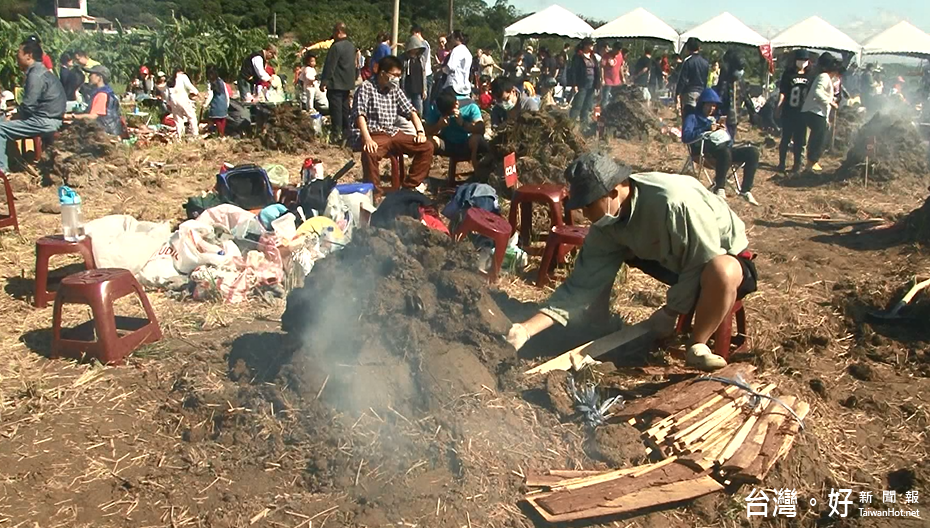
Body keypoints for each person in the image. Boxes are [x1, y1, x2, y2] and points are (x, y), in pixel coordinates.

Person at [505, 153, 757, 371]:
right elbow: (580, 287)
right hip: (672, 259)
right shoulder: (607, 224)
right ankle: (598, 321)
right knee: (606, 257)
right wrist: (526, 330)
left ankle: (698, 344)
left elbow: (704, 256)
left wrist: (671, 311)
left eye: (589, 206)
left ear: (613, 192)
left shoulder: (672, 203)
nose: (585, 215)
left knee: (720, 270)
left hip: (721, 254)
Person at [352, 55, 433, 197]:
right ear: (383, 73)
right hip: (375, 133)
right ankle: (375, 193)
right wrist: (367, 139)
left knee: (427, 146)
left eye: (399, 75)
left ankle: (409, 187)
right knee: (370, 152)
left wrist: (420, 132)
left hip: (393, 132)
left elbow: (411, 111)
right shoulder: (366, 88)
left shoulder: (395, 89)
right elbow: (360, 116)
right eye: (394, 75)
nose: (397, 78)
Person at [682, 88, 760, 205]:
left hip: (725, 149)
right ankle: (719, 187)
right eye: (708, 105)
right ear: (702, 104)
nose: (711, 109)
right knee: (725, 152)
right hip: (705, 152)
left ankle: (745, 190)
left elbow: (727, 140)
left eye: (713, 106)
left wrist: (724, 130)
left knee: (753, 152)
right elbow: (686, 137)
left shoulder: (716, 119)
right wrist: (707, 128)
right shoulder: (692, 117)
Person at [0, 39, 65, 173]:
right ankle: (16, 161)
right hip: (51, 118)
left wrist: (14, 116)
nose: (16, 56)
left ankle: (2, 171)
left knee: (1, 128)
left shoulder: (35, 75)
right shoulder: (43, 72)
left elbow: (28, 106)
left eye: (19, 52)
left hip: (44, 121)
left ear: (28, 55)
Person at [426, 89, 487, 169]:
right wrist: (438, 125)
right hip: (446, 142)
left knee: (476, 139)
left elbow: (481, 128)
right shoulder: (436, 106)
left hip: (466, 142)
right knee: (429, 141)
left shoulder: (470, 105)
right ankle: (424, 175)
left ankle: (478, 173)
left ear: (456, 104)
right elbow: (427, 130)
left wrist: (464, 124)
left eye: (450, 113)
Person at [801, 53, 840, 174]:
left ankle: (811, 163)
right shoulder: (824, 77)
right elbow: (818, 93)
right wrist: (831, 102)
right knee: (818, 139)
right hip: (815, 112)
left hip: (818, 113)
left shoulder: (824, 77)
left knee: (817, 139)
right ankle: (811, 163)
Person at [775, 49, 812, 173]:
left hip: (803, 113)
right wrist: (779, 107)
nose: (803, 62)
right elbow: (783, 92)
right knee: (785, 138)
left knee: (800, 140)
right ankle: (781, 163)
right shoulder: (788, 74)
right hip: (789, 111)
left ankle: (797, 164)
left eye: (805, 60)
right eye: (801, 60)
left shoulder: (810, 75)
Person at [321, 22, 358, 143]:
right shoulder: (351, 46)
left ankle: (336, 133)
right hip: (347, 83)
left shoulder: (336, 46)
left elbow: (330, 66)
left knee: (335, 109)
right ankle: (347, 131)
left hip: (336, 83)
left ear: (338, 32)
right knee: (345, 108)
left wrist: (324, 81)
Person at [68, 64, 122, 136]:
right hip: (111, 129)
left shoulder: (102, 95)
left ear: (99, 78)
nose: (89, 77)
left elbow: (92, 116)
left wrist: (71, 116)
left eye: (91, 74)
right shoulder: (108, 91)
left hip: (105, 133)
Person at [676, 38, 710, 122]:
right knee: (699, 116)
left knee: (688, 117)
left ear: (688, 48)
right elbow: (706, 79)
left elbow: (682, 79)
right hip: (701, 92)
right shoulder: (705, 62)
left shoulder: (687, 61)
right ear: (699, 48)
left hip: (689, 92)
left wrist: (677, 93)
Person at [568, 38, 600, 124]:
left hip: (591, 85)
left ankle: (584, 126)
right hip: (581, 85)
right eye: (590, 44)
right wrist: (574, 85)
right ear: (585, 45)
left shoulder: (593, 57)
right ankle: (570, 124)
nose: (592, 46)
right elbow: (573, 71)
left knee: (587, 107)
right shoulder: (578, 56)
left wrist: (597, 84)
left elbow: (597, 70)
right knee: (578, 105)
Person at [714, 50, 744, 139]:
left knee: (727, 135)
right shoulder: (733, 78)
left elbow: (721, 92)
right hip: (731, 112)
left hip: (729, 112)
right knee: (729, 134)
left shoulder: (729, 75)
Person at [167, 68, 200, 139]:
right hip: (182, 98)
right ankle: (195, 134)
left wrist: (168, 102)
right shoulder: (182, 76)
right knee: (191, 116)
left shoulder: (171, 78)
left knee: (178, 119)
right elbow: (189, 86)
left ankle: (180, 135)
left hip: (173, 100)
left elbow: (168, 92)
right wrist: (197, 93)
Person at [402, 35, 429, 115]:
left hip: (418, 88)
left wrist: (424, 89)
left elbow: (423, 74)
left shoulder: (421, 59)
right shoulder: (403, 59)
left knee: (418, 111)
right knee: (406, 112)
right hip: (407, 87)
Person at [443, 30, 472, 98]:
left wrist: (441, 71)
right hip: (464, 85)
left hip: (454, 84)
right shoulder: (467, 52)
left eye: (452, 38)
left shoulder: (456, 50)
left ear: (457, 38)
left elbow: (451, 67)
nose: (451, 40)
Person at [204, 66, 230, 136]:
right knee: (223, 119)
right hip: (223, 102)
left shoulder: (210, 83)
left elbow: (210, 95)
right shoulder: (221, 81)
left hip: (216, 103)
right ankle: (222, 133)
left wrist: (205, 105)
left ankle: (221, 134)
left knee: (217, 119)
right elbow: (226, 93)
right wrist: (227, 103)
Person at [411, 25, 433, 98]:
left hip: (425, 75)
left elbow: (423, 61)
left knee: (425, 102)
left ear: (418, 33)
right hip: (422, 75)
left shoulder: (423, 45)